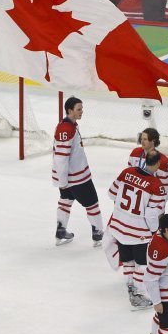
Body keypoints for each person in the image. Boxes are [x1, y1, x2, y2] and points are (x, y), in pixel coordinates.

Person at [104, 151, 166, 309]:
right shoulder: (156, 185)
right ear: (158, 164)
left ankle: (130, 287)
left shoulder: (127, 172)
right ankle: (137, 294)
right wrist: (153, 232)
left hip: (119, 226)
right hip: (138, 231)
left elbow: (111, 193)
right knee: (143, 263)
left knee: (128, 260)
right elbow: (152, 215)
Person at [51, 96, 104, 247]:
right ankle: (98, 233)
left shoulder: (69, 125)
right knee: (92, 203)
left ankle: (61, 230)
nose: (82, 111)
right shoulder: (66, 129)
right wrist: (62, 182)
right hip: (77, 179)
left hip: (69, 178)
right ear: (70, 111)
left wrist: (63, 181)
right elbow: (61, 158)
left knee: (65, 201)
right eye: (79, 109)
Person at [128, 128, 168, 202]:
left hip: (151, 202)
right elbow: (129, 176)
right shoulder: (135, 153)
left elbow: (167, 188)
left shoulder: (164, 161)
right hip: (133, 200)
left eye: (145, 139)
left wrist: (157, 205)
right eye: (141, 139)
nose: (142, 141)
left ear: (153, 141)